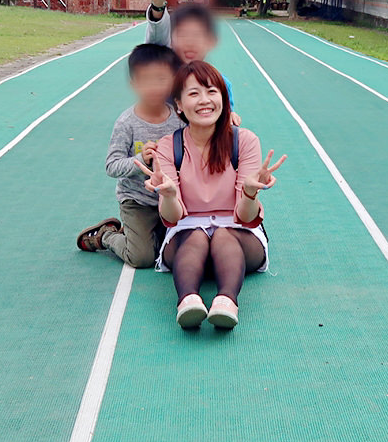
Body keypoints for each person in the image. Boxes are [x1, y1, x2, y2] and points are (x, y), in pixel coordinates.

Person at [138, 61, 285, 329]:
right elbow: (172, 219)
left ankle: (226, 302)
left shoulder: (245, 142)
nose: (204, 101)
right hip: (185, 237)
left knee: (222, 234)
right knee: (195, 235)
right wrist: (169, 195)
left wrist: (250, 192)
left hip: (238, 237)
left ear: (224, 98)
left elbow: (246, 217)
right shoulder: (168, 146)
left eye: (212, 91)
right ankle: (188, 301)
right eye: (193, 94)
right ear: (179, 105)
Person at [76, 44, 183, 268]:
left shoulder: (180, 120)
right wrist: (141, 160)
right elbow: (112, 165)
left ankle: (144, 236)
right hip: (138, 201)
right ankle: (106, 235)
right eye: (146, 80)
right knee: (142, 258)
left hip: (174, 200)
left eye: (161, 79)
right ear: (134, 83)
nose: (154, 87)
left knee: (178, 254)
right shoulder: (127, 123)